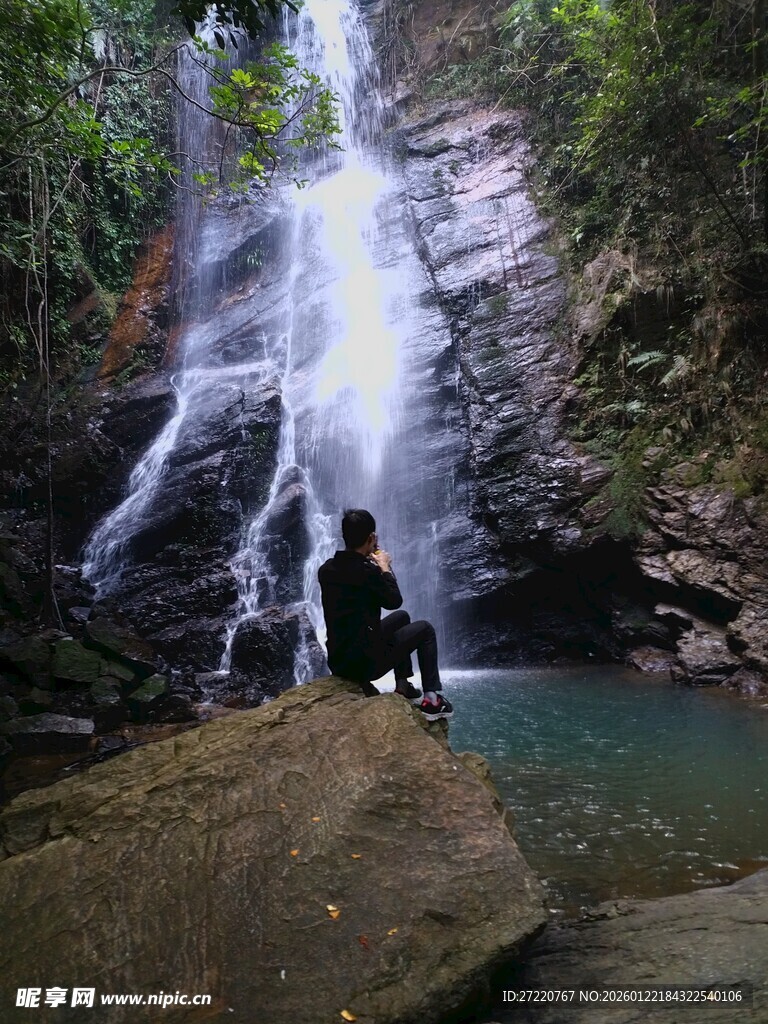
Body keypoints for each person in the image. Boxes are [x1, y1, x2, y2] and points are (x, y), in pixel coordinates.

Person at [318, 508, 453, 721]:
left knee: (402, 617)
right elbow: (393, 600)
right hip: (364, 666)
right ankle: (432, 700)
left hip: (339, 660)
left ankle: (403, 685)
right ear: (371, 537)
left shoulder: (326, 569)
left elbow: (368, 595)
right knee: (425, 629)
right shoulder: (368, 572)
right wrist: (384, 567)